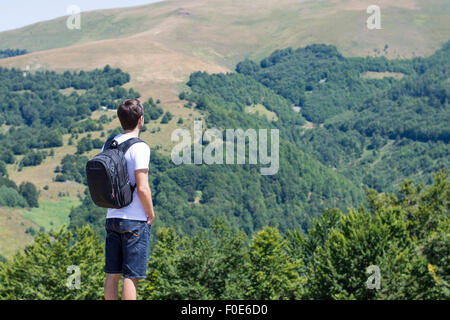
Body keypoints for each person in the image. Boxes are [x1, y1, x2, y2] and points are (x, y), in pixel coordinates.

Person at [102, 99, 155, 300]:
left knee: (112, 274)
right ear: (140, 120)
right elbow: (142, 187)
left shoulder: (109, 144)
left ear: (120, 119)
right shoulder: (140, 147)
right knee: (131, 277)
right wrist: (150, 213)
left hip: (112, 215)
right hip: (134, 219)